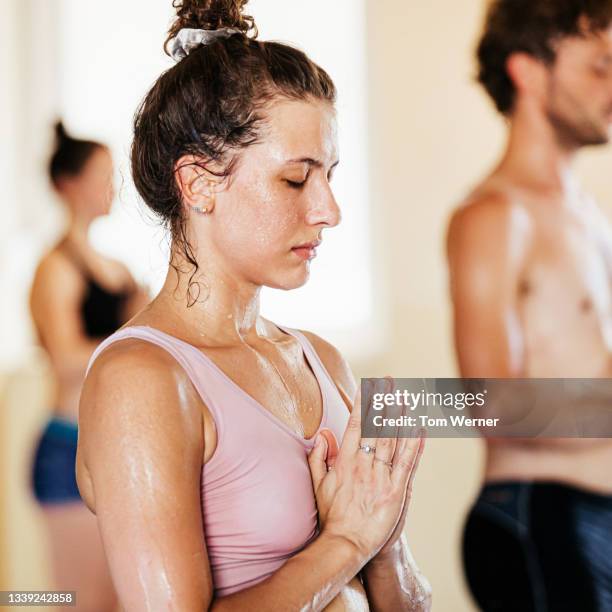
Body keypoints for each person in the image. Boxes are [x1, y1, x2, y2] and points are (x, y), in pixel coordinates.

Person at [75, 1, 432, 610]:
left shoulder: (321, 360)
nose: (329, 210)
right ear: (199, 184)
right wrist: (346, 541)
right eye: (296, 179)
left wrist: (386, 537)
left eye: (330, 176)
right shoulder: (141, 381)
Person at [447, 1, 612, 610]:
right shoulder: (495, 216)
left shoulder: (588, 215)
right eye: (600, 66)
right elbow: (491, 404)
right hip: (539, 520)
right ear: (528, 70)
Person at [29, 122, 149, 611]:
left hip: (115, 447)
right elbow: (64, 360)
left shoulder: (116, 269)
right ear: (68, 185)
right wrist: (127, 339)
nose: (113, 187)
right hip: (67, 450)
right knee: (79, 602)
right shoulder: (54, 268)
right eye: (103, 175)